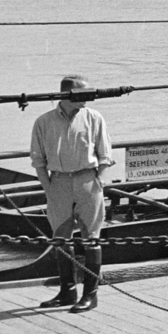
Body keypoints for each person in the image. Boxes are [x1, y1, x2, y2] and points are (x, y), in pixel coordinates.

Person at [29, 76, 113, 313]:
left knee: (91, 238)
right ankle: (67, 292)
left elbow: (105, 154)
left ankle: (90, 295)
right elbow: (38, 161)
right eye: (83, 94)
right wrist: (49, 187)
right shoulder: (43, 122)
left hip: (88, 180)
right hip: (59, 182)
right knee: (61, 238)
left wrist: (99, 180)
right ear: (68, 95)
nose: (89, 99)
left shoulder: (94, 118)